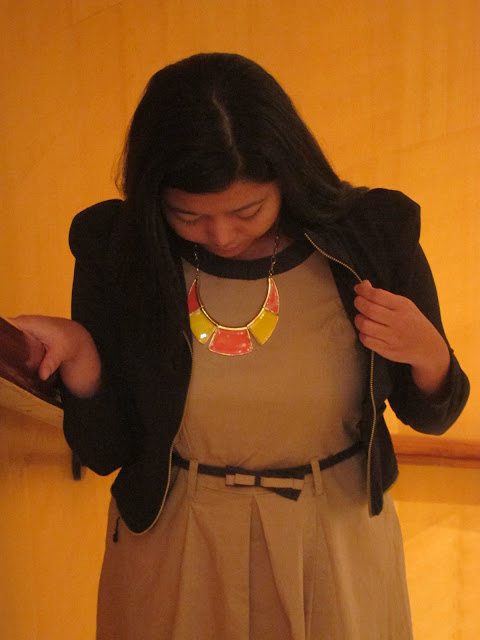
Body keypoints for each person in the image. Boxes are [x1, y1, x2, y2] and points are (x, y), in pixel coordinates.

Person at [15, 53, 469, 639]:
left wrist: (428, 354)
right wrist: (81, 356)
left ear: (288, 176)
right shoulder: (118, 249)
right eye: (188, 216)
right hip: (176, 541)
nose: (222, 235)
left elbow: (433, 415)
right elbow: (107, 449)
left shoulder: (375, 235)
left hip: (335, 538)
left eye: (247, 210)